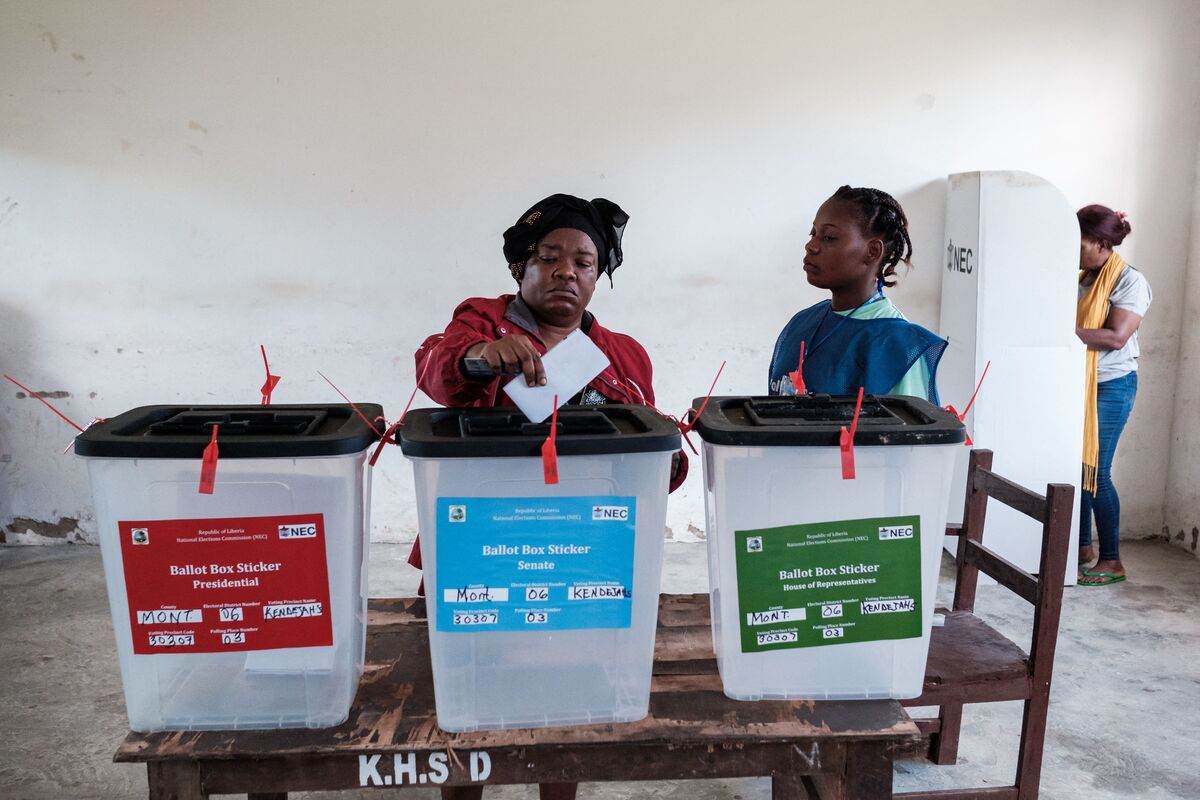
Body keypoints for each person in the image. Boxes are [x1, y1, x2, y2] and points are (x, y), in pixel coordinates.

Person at [769, 185, 945, 403]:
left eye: (829, 237)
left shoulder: (896, 346)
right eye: (813, 233)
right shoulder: (800, 325)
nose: (811, 245)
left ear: (873, 251)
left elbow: (912, 434)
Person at [1075, 204, 1151, 587]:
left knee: (1097, 472)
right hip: (1081, 384)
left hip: (1112, 386)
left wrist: (1059, 332)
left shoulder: (1129, 281)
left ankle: (1112, 560)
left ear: (1102, 243)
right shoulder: (1084, 276)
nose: (1075, 246)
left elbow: (1115, 337)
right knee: (1078, 467)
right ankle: (1083, 547)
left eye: (1081, 240)